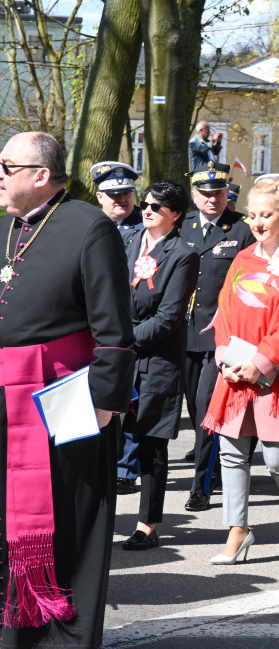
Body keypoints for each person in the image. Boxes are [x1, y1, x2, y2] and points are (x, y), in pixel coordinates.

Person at [0, 132, 135, 649]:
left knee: (61, 515)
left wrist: (105, 399)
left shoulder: (89, 227)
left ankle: (54, 632)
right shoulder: (8, 227)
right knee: (0, 517)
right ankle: (13, 630)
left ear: (41, 174)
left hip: (60, 398)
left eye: (5, 166)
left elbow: (114, 328)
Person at [203, 176, 279, 564]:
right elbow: (225, 310)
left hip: (272, 378)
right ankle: (238, 531)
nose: (258, 222)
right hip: (235, 371)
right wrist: (224, 357)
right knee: (231, 454)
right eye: (253, 215)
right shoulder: (243, 256)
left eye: (267, 215)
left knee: (276, 458)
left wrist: (262, 363)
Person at [119, 181, 198, 551]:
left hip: (157, 361)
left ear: (176, 215)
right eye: (146, 204)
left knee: (151, 443)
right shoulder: (129, 241)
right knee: (108, 436)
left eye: (156, 206)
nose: (146, 210)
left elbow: (169, 318)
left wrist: (122, 339)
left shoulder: (182, 254)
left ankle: (147, 525)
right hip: (120, 357)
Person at [181, 162, 254, 513]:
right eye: (206, 194)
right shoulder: (183, 228)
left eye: (220, 194)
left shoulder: (241, 231)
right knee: (196, 411)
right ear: (195, 196)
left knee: (208, 411)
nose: (213, 199)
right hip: (183, 335)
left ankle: (202, 486)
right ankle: (219, 467)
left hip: (221, 337)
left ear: (228, 195)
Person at [90, 160, 143, 495]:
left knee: (132, 403)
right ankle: (105, 463)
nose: (120, 199)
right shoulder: (89, 227)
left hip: (136, 327)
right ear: (99, 196)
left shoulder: (145, 228)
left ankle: (126, 467)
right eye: (113, 194)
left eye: (126, 193)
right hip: (98, 329)